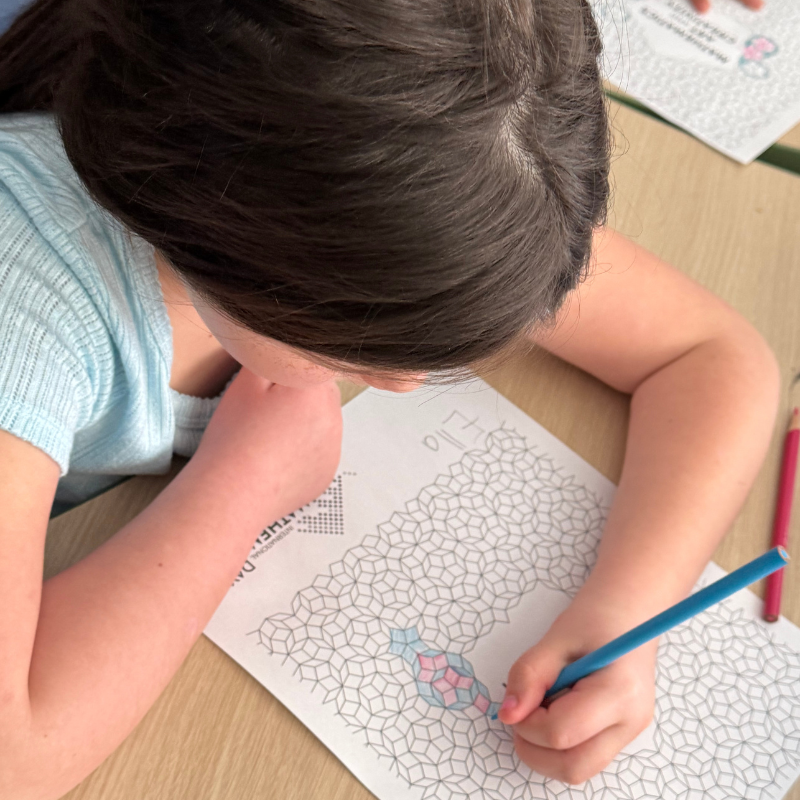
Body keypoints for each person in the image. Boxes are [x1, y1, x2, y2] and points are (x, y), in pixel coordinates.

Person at [0, 0, 779, 796]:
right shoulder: (25, 297)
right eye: (362, 348)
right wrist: (241, 487)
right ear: (228, 235)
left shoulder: (446, 162)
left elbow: (709, 354)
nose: (403, 384)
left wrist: (625, 613)